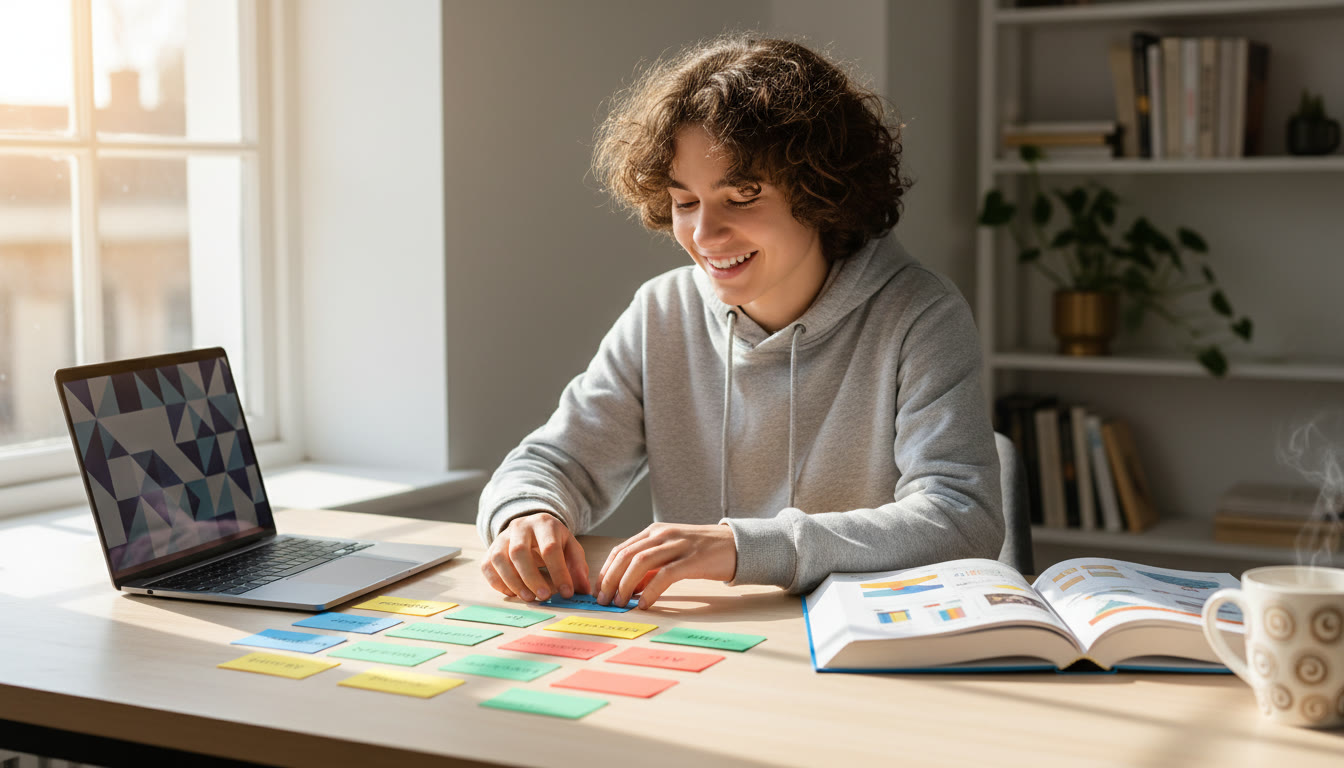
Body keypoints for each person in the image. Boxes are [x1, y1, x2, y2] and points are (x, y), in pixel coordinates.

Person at [476, 33, 1002, 610]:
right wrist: (528, 512)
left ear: (822, 191)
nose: (704, 235)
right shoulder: (662, 311)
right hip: (713, 645)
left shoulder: (920, 314)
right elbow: (558, 461)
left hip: (863, 649)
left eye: (743, 195)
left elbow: (962, 518)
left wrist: (740, 547)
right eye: (685, 202)